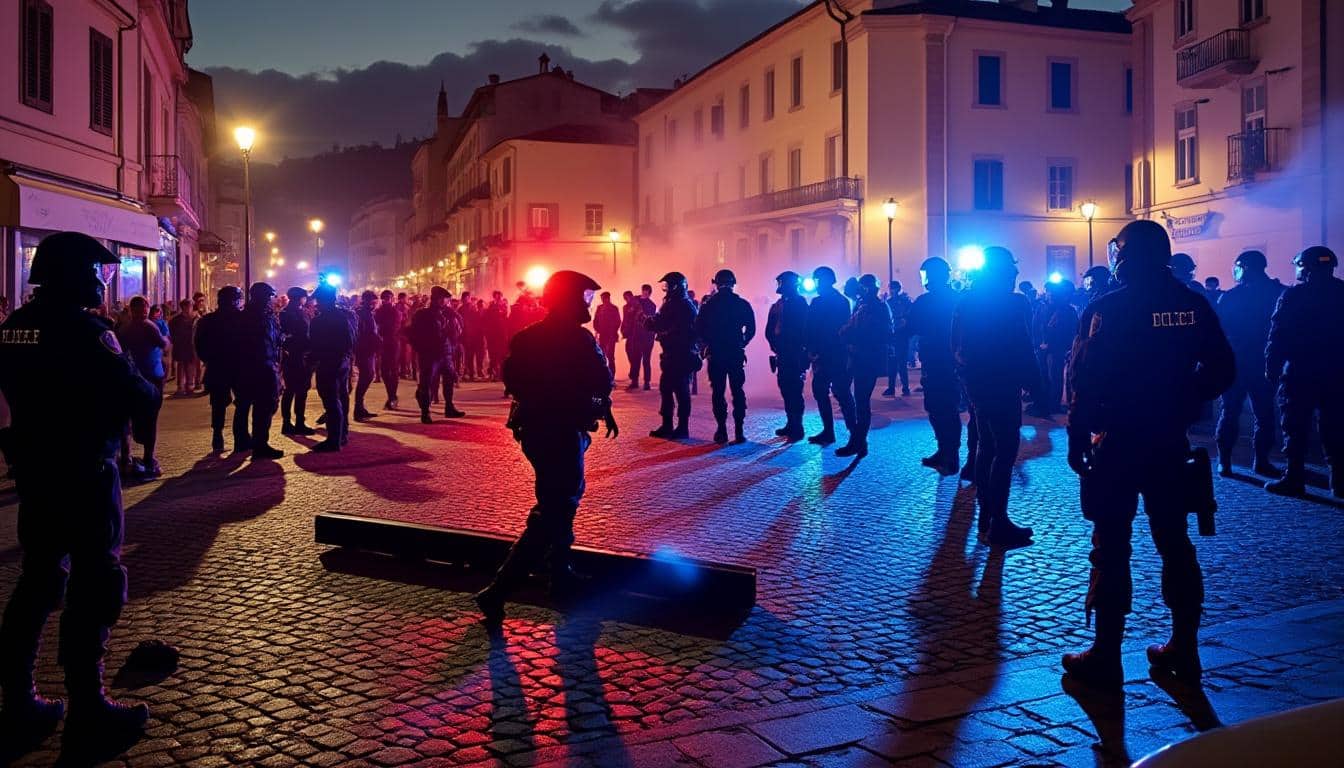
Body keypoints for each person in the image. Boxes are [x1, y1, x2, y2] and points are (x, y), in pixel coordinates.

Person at [0, 232, 158, 748]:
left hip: (37, 472)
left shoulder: (16, 328)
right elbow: (137, 394)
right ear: (73, 273)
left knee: (37, 580)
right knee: (96, 582)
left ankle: (18, 699)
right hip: (86, 470)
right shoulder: (90, 332)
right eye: (96, 271)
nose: (100, 280)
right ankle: (88, 704)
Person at [1062, 220, 1234, 690]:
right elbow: (1223, 368)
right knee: (1175, 542)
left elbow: (1084, 377)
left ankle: (1105, 655)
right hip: (1167, 440)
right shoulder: (1191, 304)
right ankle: (1185, 648)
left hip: (1117, 440)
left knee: (1111, 546)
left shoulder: (1107, 307)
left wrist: (1078, 435)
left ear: (1125, 257)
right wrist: (1183, 395)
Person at [474, 270, 617, 625]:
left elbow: (513, 380)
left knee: (561, 502)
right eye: (584, 297)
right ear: (569, 299)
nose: (588, 303)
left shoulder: (527, 337)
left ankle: (561, 575)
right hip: (561, 429)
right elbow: (602, 379)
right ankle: (499, 590)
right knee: (557, 506)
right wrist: (595, 405)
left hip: (536, 430)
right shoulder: (579, 339)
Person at [951, 248, 1039, 547]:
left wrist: (968, 382)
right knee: (1004, 451)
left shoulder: (967, 302)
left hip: (978, 384)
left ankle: (988, 515)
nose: (1015, 276)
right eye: (1011, 271)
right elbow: (1023, 344)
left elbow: (957, 347)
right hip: (1001, 383)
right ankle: (997, 521)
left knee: (987, 448)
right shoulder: (1013, 303)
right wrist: (1035, 383)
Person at [1264, 245, 1344, 498]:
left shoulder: (1294, 296)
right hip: (1337, 371)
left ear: (1305, 268)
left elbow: (1278, 335)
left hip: (1300, 371)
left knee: (1295, 427)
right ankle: (1339, 480)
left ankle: (1294, 477)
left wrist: (1272, 367)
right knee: (1336, 426)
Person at [1214, 250, 1284, 477]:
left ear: (1244, 267)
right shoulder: (1277, 292)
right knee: (1265, 414)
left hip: (1236, 363)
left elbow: (1219, 331)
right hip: (1265, 362)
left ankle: (1224, 461)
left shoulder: (1232, 296)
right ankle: (1261, 461)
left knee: (1230, 412)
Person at [907, 257, 962, 475]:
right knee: (944, 408)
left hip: (938, 361)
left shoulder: (925, 301)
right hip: (947, 361)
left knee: (941, 408)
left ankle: (950, 454)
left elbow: (910, 326)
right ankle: (946, 451)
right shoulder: (957, 298)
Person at [695, 269, 756, 444]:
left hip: (716, 354)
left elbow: (698, 329)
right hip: (735, 354)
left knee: (718, 392)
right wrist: (742, 343)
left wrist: (706, 345)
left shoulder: (708, 305)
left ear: (716, 283)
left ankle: (721, 429)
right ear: (733, 283)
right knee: (738, 392)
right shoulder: (742, 304)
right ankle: (739, 431)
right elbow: (751, 329)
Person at [837, 275, 892, 458]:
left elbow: (861, 331)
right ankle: (857, 437)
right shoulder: (864, 305)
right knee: (849, 395)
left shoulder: (876, 307)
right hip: (857, 357)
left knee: (861, 401)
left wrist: (848, 334)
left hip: (866, 358)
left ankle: (858, 441)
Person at [115, 296, 169, 478]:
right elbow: (164, 344)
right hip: (152, 376)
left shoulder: (124, 328)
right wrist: (165, 340)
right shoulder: (149, 326)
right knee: (150, 418)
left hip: (130, 377)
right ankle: (148, 458)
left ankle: (126, 458)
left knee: (127, 419)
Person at [805, 266, 857, 447]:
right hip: (825, 354)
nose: (817, 285)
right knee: (821, 391)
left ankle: (853, 434)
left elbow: (837, 329)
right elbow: (810, 328)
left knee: (841, 393)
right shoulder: (826, 301)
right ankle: (829, 430)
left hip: (835, 353)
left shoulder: (837, 302)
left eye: (818, 281)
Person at [645, 272, 699, 438]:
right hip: (672, 353)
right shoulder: (676, 303)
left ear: (677, 286)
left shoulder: (681, 305)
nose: (666, 288)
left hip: (681, 354)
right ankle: (667, 425)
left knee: (681, 391)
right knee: (666, 388)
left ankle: (682, 427)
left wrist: (650, 322)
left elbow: (662, 324)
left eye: (669, 285)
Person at [194, 286, 246, 453]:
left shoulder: (207, 320)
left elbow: (199, 345)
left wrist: (209, 359)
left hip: (218, 366)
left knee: (218, 404)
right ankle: (241, 436)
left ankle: (218, 435)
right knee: (242, 402)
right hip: (238, 367)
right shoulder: (243, 319)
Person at [236, 283, 284, 460]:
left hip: (264, 365)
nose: (272, 300)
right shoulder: (254, 316)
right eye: (269, 296)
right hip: (260, 367)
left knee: (264, 405)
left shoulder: (262, 315)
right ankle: (260, 445)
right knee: (264, 405)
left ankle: (256, 442)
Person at [308, 285, 356, 452]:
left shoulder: (319, 321)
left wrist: (311, 360)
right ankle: (342, 435)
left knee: (331, 401)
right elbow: (350, 341)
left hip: (328, 363)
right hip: (342, 363)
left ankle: (334, 440)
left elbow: (313, 345)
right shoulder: (343, 317)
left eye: (318, 301)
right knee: (341, 398)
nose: (316, 304)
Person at [409, 286, 464, 424]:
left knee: (448, 380)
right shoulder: (422, 314)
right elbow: (412, 334)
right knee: (426, 383)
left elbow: (457, 330)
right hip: (430, 354)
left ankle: (449, 407)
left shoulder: (447, 313)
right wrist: (421, 349)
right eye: (445, 299)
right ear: (439, 300)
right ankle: (425, 412)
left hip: (446, 353)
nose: (447, 302)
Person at [765, 271, 809, 441]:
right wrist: (774, 345)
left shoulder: (800, 304)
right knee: (785, 388)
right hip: (782, 352)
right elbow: (770, 328)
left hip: (795, 353)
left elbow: (805, 329)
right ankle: (791, 423)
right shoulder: (778, 304)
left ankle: (797, 426)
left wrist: (803, 351)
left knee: (795, 390)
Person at [1035, 279, 1079, 414]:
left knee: (1055, 376)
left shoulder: (1067, 310)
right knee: (1043, 376)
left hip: (1056, 349)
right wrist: (1037, 344)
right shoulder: (1042, 308)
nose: (1050, 294)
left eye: (1052, 292)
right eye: (1048, 291)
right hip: (1042, 349)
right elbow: (1035, 326)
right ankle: (1045, 402)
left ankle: (1053, 404)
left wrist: (1065, 347)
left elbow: (1072, 330)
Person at [279, 287, 317, 437]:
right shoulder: (290, 313)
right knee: (295, 390)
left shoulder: (292, 312)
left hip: (299, 355)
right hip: (296, 355)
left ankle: (293, 422)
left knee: (296, 390)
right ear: (300, 298)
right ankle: (291, 422)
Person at [352, 290, 381, 421]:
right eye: (374, 302)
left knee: (368, 376)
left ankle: (360, 407)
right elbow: (365, 333)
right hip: (364, 350)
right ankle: (358, 408)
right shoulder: (362, 314)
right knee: (367, 376)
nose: (375, 304)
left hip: (368, 349)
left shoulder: (366, 313)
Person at [883, 280, 912, 397]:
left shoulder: (905, 302)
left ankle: (905, 388)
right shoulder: (888, 302)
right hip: (893, 335)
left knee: (901, 363)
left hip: (901, 334)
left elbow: (909, 316)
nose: (892, 291)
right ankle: (892, 388)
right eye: (891, 288)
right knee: (892, 363)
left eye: (894, 288)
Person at [374, 290, 402, 409]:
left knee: (393, 370)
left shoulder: (395, 312)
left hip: (392, 342)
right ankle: (391, 396)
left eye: (388, 298)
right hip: (383, 342)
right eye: (384, 298)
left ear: (391, 298)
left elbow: (393, 327)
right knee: (385, 371)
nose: (386, 300)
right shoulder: (379, 312)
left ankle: (392, 396)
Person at [168, 299, 197, 395]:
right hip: (181, 346)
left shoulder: (196, 318)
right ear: (182, 307)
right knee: (181, 366)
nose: (188, 309)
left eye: (190, 306)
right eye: (186, 306)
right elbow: (171, 332)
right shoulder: (176, 320)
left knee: (191, 366)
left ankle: (190, 385)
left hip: (191, 345)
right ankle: (181, 386)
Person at [632, 284, 658, 390]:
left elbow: (648, 319)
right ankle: (635, 381)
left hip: (647, 336)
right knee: (636, 359)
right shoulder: (635, 301)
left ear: (649, 293)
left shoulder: (651, 305)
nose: (645, 293)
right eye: (644, 291)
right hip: (638, 335)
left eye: (647, 292)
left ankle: (646, 382)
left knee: (646, 360)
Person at [592, 291, 621, 380]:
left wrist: (613, 331)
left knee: (610, 357)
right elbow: (595, 321)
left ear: (608, 298)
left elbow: (618, 321)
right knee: (603, 356)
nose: (604, 300)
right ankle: (605, 377)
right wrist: (598, 330)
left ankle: (611, 378)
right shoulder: (600, 308)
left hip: (610, 335)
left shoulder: (613, 308)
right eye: (603, 299)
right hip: (603, 335)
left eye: (605, 298)